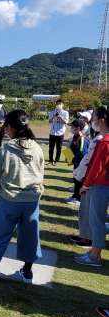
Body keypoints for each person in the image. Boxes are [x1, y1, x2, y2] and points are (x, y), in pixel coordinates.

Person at [0, 110, 44, 293]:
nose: (5, 131)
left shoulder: (6, 150)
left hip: (9, 199)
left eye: (6, 127)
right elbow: (41, 174)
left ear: (10, 127)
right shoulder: (37, 148)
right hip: (31, 200)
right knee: (30, 235)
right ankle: (27, 271)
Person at [75, 106, 109, 268]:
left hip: (100, 184)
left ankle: (95, 255)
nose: (92, 120)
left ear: (102, 120)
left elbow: (96, 167)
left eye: (94, 117)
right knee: (98, 220)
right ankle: (93, 252)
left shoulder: (105, 141)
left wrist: (86, 185)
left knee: (96, 222)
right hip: (102, 184)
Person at [69, 130, 103, 247]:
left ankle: (88, 239)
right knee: (84, 211)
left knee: (90, 212)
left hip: (94, 182)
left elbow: (93, 163)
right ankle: (84, 235)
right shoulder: (97, 138)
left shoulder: (101, 140)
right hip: (87, 178)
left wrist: (86, 184)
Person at [65, 118, 89, 205]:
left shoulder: (82, 139)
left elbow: (82, 153)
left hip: (80, 164)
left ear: (78, 128)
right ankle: (74, 196)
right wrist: (68, 156)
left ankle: (78, 199)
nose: (70, 128)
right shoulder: (75, 137)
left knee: (79, 181)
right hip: (76, 163)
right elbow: (71, 149)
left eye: (72, 127)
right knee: (75, 179)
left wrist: (73, 160)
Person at [48, 99, 69, 165]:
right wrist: (54, 116)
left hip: (60, 133)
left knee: (59, 148)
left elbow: (66, 122)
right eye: (57, 104)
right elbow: (49, 121)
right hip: (52, 132)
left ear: (62, 105)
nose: (58, 105)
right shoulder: (52, 112)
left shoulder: (65, 113)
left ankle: (56, 160)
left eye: (60, 104)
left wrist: (60, 117)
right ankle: (51, 160)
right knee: (51, 147)